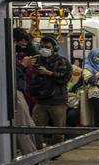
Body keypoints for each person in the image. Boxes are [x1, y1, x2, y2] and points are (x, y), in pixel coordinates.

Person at [29, 35, 72, 143]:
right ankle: (38, 151)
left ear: (54, 48)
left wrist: (48, 73)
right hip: (40, 101)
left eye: (48, 47)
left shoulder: (62, 61)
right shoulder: (36, 61)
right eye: (42, 46)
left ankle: (56, 152)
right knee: (36, 130)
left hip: (57, 101)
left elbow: (64, 78)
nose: (44, 49)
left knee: (58, 130)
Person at [12, 28, 41, 156]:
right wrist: (23, 65)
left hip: (20, 92)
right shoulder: (9, 55)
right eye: (21, 44)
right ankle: (31, 160)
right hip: (14, 92)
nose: (22, 48)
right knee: (24, 127)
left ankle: (34, 156)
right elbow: (11, 75)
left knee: (29, 126)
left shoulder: (16, 55)